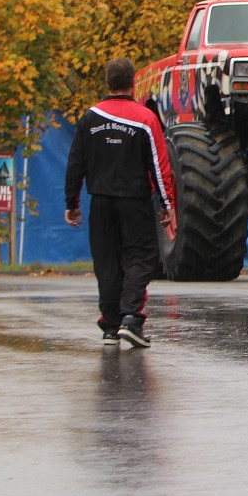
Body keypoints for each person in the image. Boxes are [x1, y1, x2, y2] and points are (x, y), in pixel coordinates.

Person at [65, 58, 175, 348]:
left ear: (107, 83)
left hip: (100, 201)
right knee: (142, 257)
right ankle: (131, 319)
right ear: (133, 83)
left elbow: (76, 162)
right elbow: (159, 166)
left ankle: (110, 326)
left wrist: (71, 202)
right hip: (134, 201)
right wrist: (167, 204)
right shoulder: (145, 119)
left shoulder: (89, 118)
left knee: (107, 263)